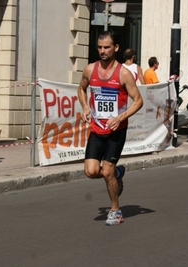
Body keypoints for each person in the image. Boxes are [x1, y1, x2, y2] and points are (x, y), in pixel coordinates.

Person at [77, 31, 143, 226]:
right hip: (97, 129)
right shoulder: (90, 70)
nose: (102, 51)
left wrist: (120, 117)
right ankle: (118, 174)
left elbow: (138, 101)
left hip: (116, 131)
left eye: (106, 47)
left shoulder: (123, 73)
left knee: (106, 171)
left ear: (116, 48)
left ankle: (115, 210)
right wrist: (85, 106)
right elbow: (81, 88)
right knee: (91, 171)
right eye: (99, 47)